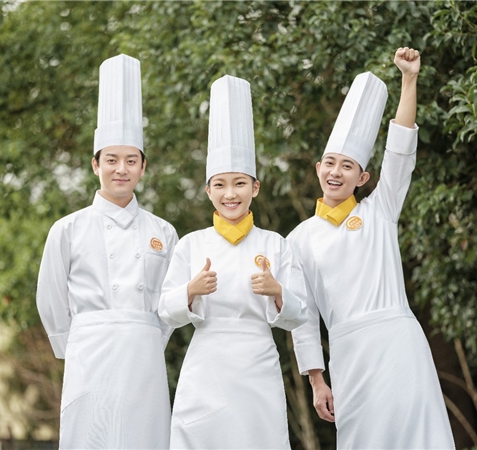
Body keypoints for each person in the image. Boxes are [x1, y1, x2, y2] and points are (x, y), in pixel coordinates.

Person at [288, 48, 455, 449]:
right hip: (349, 354)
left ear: (362, 178)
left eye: (348, 166)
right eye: (330, 163)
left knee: (420, 437)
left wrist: (409, 79)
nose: (336, 172)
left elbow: (400, 150)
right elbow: (303, 316)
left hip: (400, 344)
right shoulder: (298, 239)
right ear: (318, 168)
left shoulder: (380, 210)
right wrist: (316, 380)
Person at [36, 54, 178, 449]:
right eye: (112, 160)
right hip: (89, 353)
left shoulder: (164, 232)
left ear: (143, 167)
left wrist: (148, 336)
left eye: (131, 161)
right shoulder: (67, 229)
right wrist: (73, 344)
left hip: (145, 357)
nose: (121, 169)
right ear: (95, 165)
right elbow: (50, 296)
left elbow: (170, 301)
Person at [159, 74, 307, 450]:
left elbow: (300, 314)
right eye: (220, 184)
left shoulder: (275, 244)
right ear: (208, 190)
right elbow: (164, 310)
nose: (230, 194)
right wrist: (190, 291)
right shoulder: (191, 245)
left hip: (258, 363)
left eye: (240, 183)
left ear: (255, 187)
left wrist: (277, 292)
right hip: (205, 364)